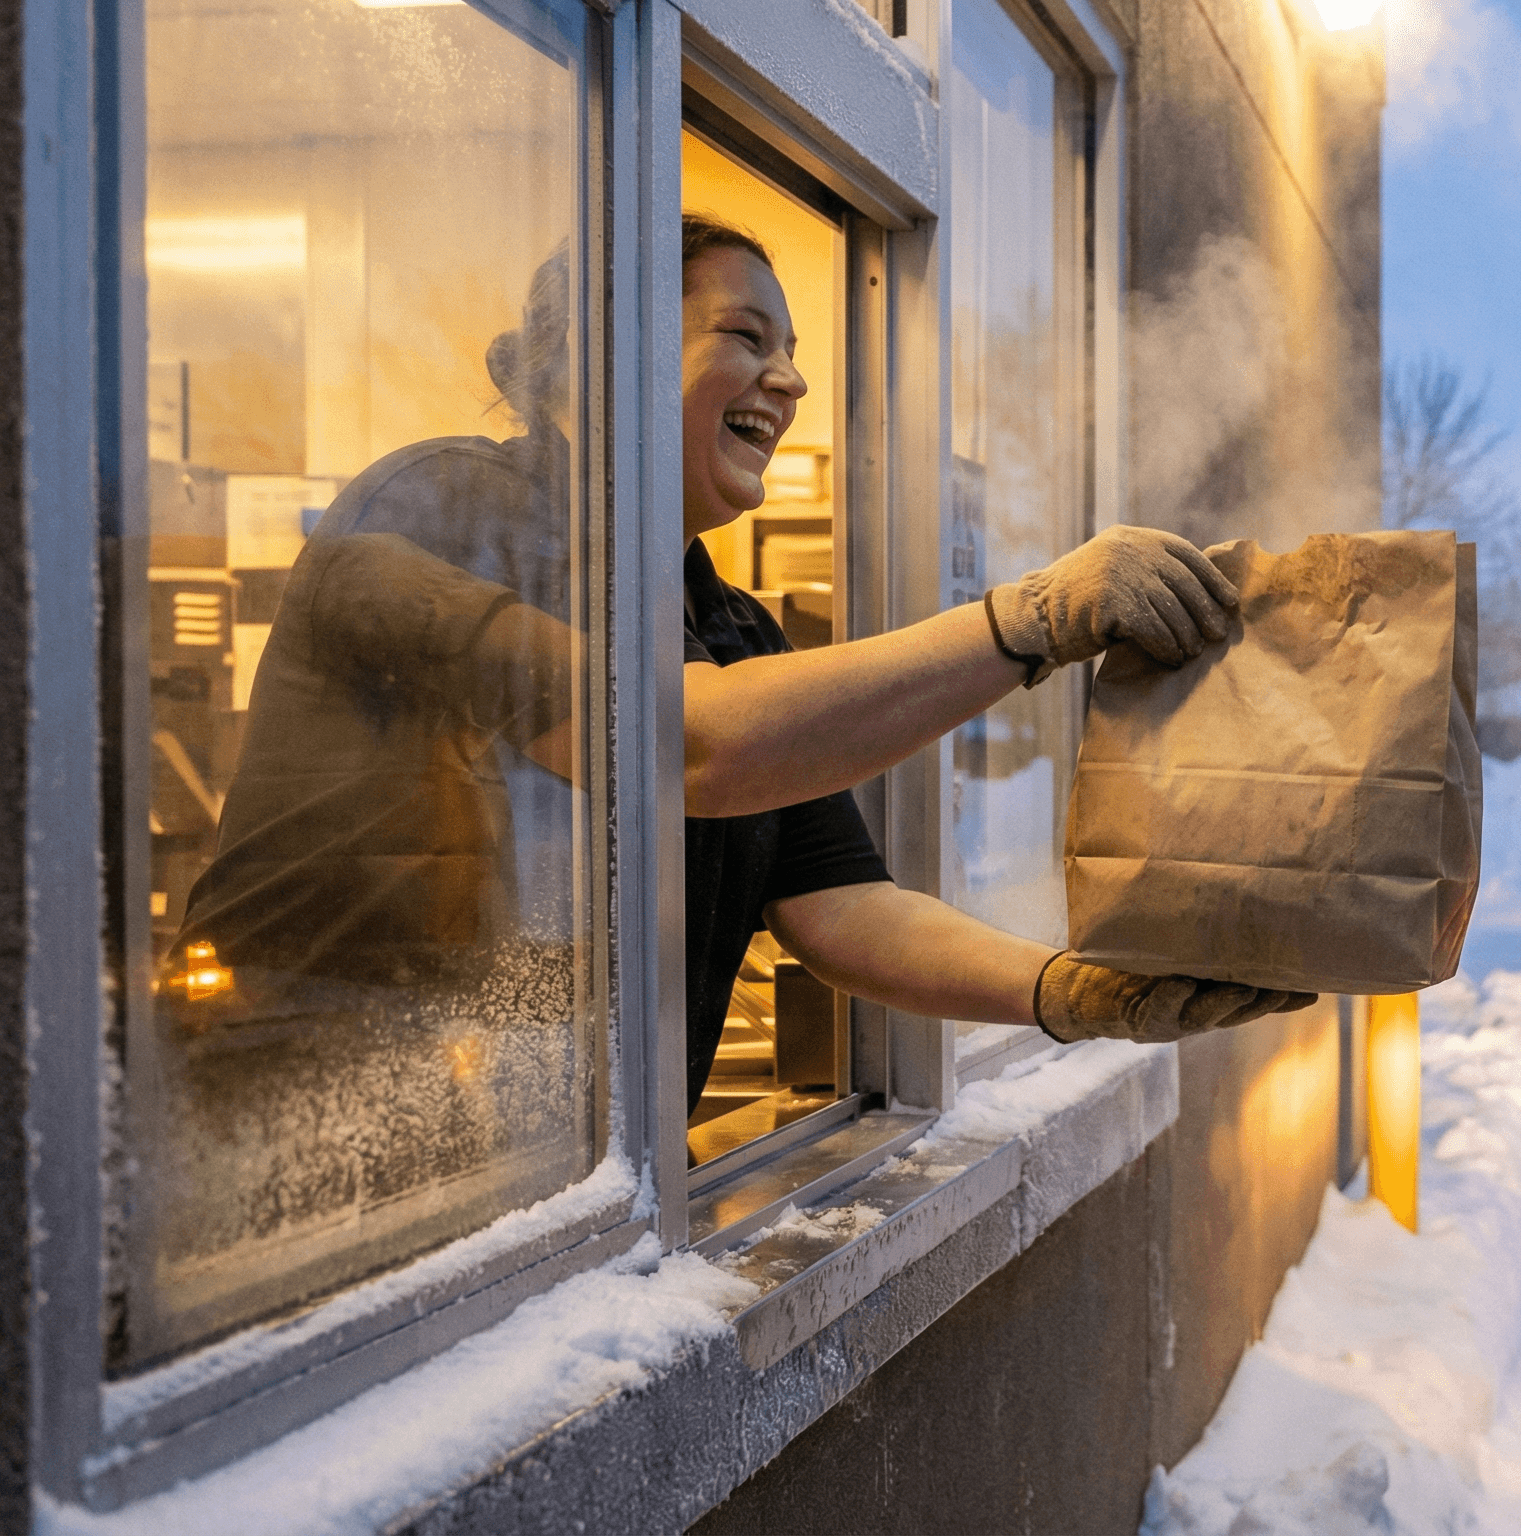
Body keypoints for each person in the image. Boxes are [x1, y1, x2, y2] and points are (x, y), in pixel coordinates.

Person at [184, 215, 1305, 1106]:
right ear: (602, 348)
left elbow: (841, 907)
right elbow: (689, 748)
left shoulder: (729, 629)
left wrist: (1077, 993)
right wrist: (1029, 620)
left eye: (793, 351)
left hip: (541, 1179)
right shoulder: (438, 507)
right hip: (312, 1130)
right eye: (747, 338)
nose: (791, 381)